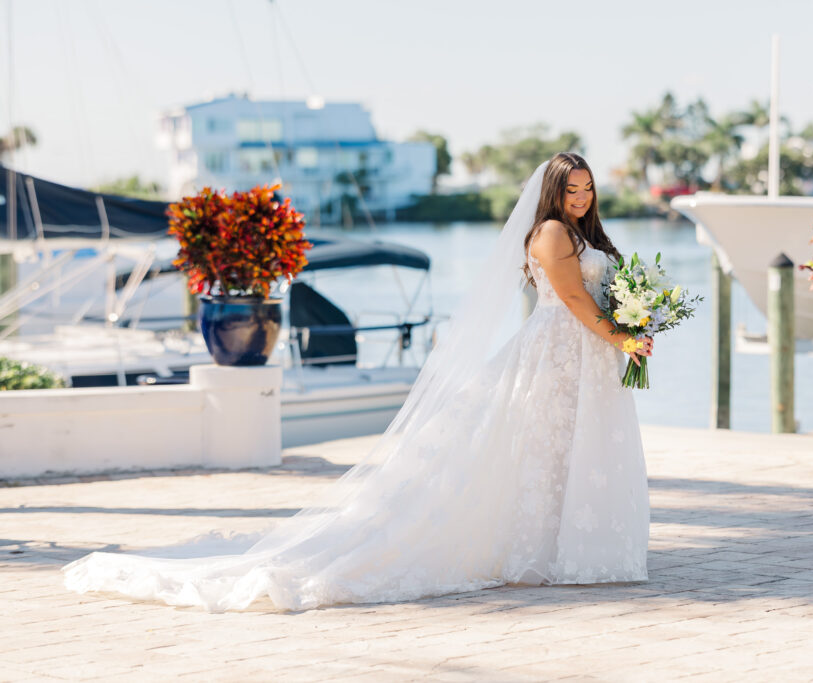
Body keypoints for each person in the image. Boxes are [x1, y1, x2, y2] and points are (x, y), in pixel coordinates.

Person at [63, 152, 653, 612]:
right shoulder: (550, 232)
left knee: (563, 453)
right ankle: (542, 550)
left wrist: (637, 321)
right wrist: (621, 338)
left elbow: (597, 292)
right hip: (559, 350)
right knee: (544, 450)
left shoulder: (586, 234)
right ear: (552, 194)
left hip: (587, 356)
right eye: (570, 189)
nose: (580, 197)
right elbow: (574, 299)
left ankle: (564, 546)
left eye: (587, 188)